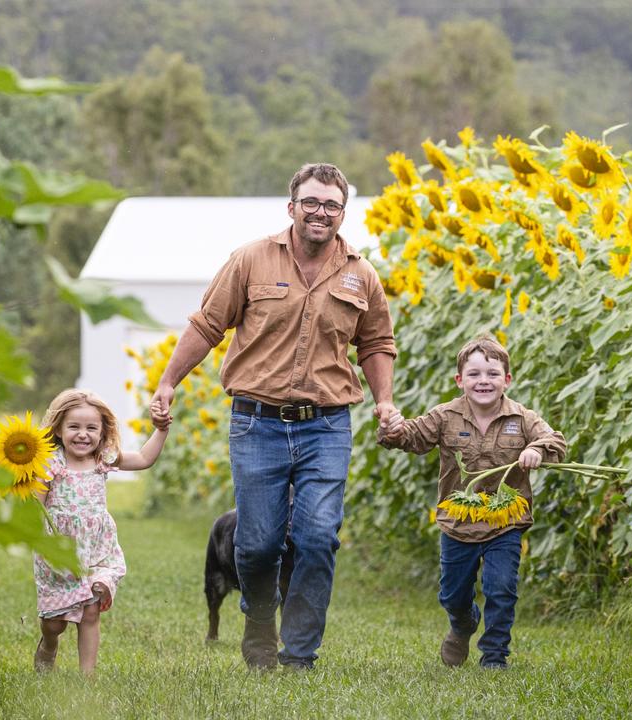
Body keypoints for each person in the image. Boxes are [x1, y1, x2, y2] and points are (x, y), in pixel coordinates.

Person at [149, 163, 399, 671]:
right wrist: (167, 381)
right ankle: (260, 619)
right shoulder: (250, 260)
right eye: (311, 202)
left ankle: (300, 652)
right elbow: (207, 325)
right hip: (256, 422)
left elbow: (376, 343)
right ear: (291, 207)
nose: (320, 213)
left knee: (318, 536)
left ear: (342, 213)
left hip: (327, 425)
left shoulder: (361, 274)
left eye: (331, 205)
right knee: (258, 541)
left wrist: (385, 402)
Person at [379, 336, 566, 669]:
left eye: (493, 374)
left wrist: (537, 450)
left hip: (505, 520)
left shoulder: (521, 418)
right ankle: (462, 623)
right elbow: (412, 436)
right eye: (475, 374)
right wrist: (393, 430)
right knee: (452, 594)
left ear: (507, 380)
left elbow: (553, 439)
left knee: (501, 586)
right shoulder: (445, 416)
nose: (484, 381)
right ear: (460, 380)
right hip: (458, 523)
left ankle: (494, 655)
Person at [32, 389, 170, 674]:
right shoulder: (51, 463)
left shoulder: (102, 459)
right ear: (58, 428)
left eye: (91, 428)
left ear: (102, 432)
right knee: (54, 622)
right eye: (74, 427)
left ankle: (88, 677)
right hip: (61, 553)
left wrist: (161, 430)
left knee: (91, 608)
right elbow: (35, 507)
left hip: (97, 550)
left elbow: (144, 458)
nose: (83, 434)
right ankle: (48, 643)